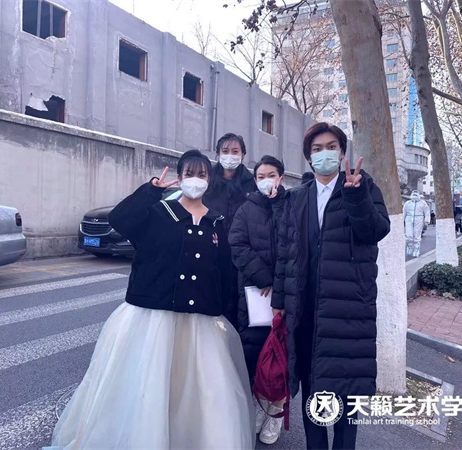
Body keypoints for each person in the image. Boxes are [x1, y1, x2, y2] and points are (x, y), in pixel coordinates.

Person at [46, 150, 255, 450]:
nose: (196, 180)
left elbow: (223, 271)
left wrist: (226, 313)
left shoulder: (216, 223)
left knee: (200, 392)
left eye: (202, 175)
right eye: (189, 174)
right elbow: (120, 219)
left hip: (201, 322)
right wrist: (151, 191)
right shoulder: (158, 213)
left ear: (209, 180)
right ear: (180, 178)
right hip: (154, 317)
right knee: (150, 388)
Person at [272, 122, 390, 450]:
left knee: (346, 391)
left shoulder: (362, 186)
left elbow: (376, 230)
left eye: (331, 147)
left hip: (347, 308)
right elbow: (285, 252)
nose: (324, 153)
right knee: (312, 388)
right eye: (317, 149)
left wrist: (356, 197)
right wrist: (279, 301)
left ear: (342, 152)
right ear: (309, 157)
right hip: (305, 309)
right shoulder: (297, 197)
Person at [229, 155, 286, 445]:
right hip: (254, 296)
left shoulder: (291, 206)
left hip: (287, 296)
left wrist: (281, 285)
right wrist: (264, 278)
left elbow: (296, 246)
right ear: (254, 180)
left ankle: (275, 413)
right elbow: (237, 244)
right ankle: (257, 407)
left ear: (281, 178)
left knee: (281, 358)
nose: (267, 181)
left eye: (271, 175)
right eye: (261, 176)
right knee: (254, 354)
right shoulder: (246, 209)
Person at [204, 133, 257, 328]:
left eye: (235, 151)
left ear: (243, 154)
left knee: (237, 314)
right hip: (211, 256)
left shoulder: (252, 184)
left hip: (241, 259)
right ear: (218, 154)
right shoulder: (207, 181)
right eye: (225, 151)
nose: (230, 156)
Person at [403, 190, 429, 257]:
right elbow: (404, 212)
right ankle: (409, 246)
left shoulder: (423, 203)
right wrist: (402, 221)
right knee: (408, 235)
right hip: (409, 219)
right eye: (413, 194)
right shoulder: (407, 203)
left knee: (417, 235)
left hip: (419, 219)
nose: (414, 196)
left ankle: (416, 249)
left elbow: (426, 212)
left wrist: (426, 221)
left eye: (416, 194)